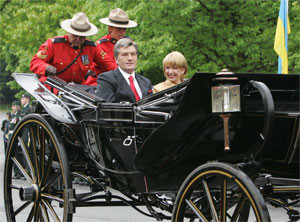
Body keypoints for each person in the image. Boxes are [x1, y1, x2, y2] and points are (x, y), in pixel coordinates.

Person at [30, 12, 115, 87]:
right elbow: (35, 62)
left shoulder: (92, 48)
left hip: (76, 90)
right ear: (69, 32)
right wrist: (46, 67)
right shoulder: (53, 44)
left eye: (82, 37)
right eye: (75, 35)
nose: (78, 39)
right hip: (52, 88)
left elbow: (109, 65)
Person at [96, 38, 152, 103]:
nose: (130, 58)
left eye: (133, 54)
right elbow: (106, 108)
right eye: (125, 55)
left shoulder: (146, 82)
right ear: (116, 59)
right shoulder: (106, 79)